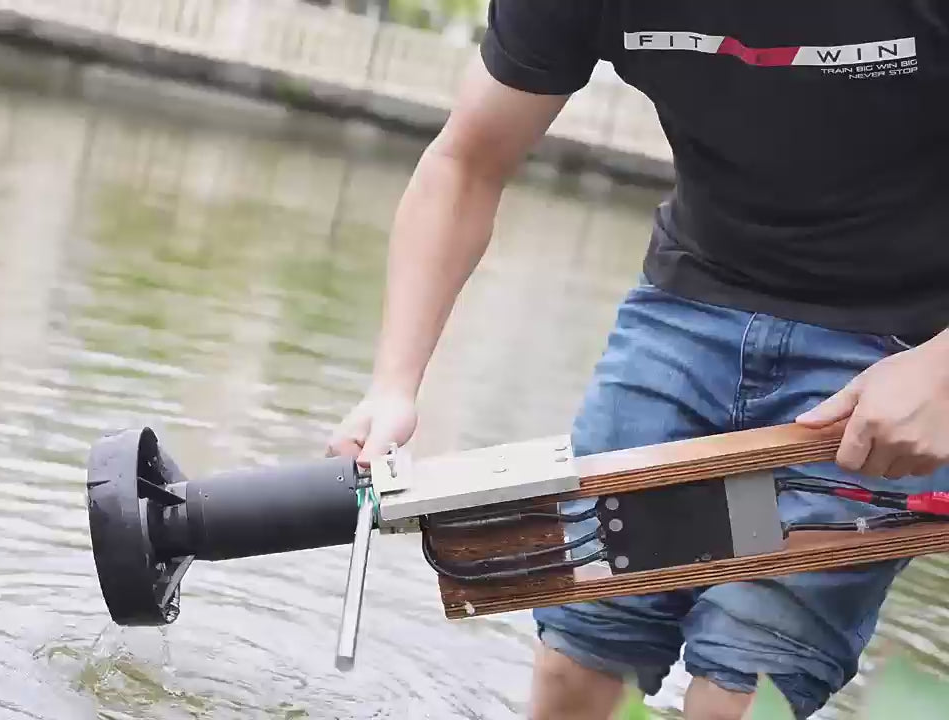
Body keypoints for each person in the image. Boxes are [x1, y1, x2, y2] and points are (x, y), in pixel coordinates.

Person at [325, 1, 949, 718]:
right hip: (691, 308)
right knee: (580, 666)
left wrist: (940, 370)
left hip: (899, 349)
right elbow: (467, 160)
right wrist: (394, 387)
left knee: (741, 697)